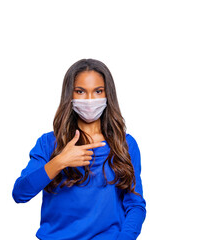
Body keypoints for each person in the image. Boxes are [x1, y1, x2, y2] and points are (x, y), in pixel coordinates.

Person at [12, 58, 146, 240]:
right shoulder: (48, 143)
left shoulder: (125, 145)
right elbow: (20, 193)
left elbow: (135, 205)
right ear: (70, 95)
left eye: (98, 91)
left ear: (108, 94)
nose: (90, 100)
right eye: (80, 91)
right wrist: (60, 161)